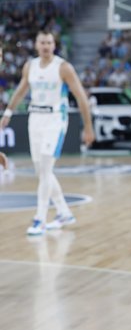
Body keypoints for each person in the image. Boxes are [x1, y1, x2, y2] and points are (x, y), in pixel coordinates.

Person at [0, 30, 95, 235]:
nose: (45, 46)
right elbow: (20, 90)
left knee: (44, 169)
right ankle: (63, 212)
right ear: (36, 44)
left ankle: (40, 219)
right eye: (42, 42)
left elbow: (81, 97)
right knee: (42, 171)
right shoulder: (30, 66)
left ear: (54, 45)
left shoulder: (63, 67)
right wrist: (8, 112)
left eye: (49, 42)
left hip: (55, 120)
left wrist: (88, 126)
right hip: (35, 119)